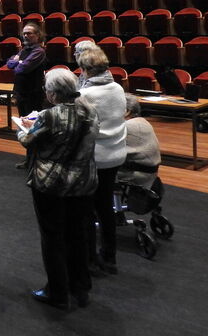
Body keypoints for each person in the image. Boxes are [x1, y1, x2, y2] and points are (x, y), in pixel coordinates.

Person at [16, 68, 99, 310]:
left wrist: (23, 130)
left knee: (52, 237)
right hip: (83, 181)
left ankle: (58, 292)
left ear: (53, 93)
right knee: (78, 235)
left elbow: (29, 141)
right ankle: (81, 288)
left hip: (52, 182)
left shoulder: (50, 116)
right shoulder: (90, 110)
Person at [78, 47, 127, 275]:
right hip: (116, 154)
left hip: (95, 157)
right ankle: (110, 257)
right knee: (105, 207)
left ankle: (89, 259)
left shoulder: (87, 95)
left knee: (87, 209)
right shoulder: (118, 87)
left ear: (86, 69)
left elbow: (81, 127)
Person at [7, 22, 47, 169]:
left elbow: (21, 69)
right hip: (21, 93)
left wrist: (18, 62)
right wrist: (18, 62)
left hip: (33, 95)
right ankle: (29, 159)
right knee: (25, 127)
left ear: (38, 35)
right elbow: (10, 64)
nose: (26, 35)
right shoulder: (24, 50)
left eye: (30, 33)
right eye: (24, 33)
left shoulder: (39, 51)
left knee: (34, 128)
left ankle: (36, 161)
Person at [118, 94, 161, 189]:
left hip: (137, 175)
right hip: (147, 173)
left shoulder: (128, 126)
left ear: (127, 111)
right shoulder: (142, 122)